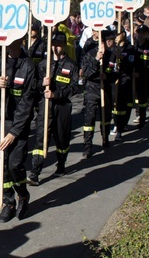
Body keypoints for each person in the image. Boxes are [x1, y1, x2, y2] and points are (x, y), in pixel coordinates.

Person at [0, 37, 37, 222]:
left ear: (21, 38)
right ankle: (9, 202)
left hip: (18, 123)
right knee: (0, 167)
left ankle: (23, 195)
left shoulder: (28, 66)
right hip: (0, 121)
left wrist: (14, 132)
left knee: (14, 165)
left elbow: (28, 102)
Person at [28, 32, 78, 183]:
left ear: (63, 46)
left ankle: (61, 164)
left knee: (62, 138)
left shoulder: (71, 65)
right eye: (53, 44)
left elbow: (74, 87)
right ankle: (35, 172)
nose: (55, 48)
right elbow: (33, 85)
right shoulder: (44, 64)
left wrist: (57, 94)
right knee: (40, 138)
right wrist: (41, 84)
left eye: (58, 45)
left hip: (62, 106)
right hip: (46, 106)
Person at [80, 30, 116, 158]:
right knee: (89, 119)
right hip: (91, 89)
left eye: (111, 41)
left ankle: (105, 139)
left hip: (105, 89)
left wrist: (107, 76)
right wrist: (96, 60)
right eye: (108, 41)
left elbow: (115, 72)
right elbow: (86, 73)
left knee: (106, 117)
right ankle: (88, 146)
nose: (110, 43)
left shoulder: (112, 55)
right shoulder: (90, 54)